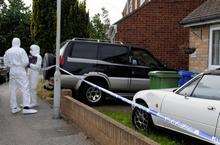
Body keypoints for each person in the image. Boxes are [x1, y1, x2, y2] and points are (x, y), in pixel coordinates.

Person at [4, 38, 37, 114]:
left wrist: (11, 66)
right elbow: (25, 62)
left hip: (12, 70)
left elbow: (6, 63)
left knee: (13, 89)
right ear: (19, 43)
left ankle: (14, 107)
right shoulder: (21, 50)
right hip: (20, 70)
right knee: (25, 88)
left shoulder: (8, 51)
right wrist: (20, 66)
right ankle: (26, 108)